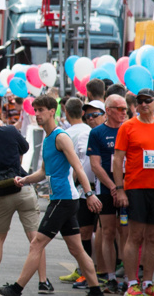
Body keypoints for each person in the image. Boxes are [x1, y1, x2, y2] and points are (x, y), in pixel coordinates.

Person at [0, 95, 103, 296]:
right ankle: (96, 290)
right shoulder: (49, 139)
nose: (38, 114)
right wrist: (24, 180)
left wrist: (89, 194)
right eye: (36, 110)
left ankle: (16, 289)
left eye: (41, 110)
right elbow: (43, 171)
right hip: (62, 200)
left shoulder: (61, 137)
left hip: (64, 199)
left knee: (37, 243)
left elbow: (78, 166)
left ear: (53, 111)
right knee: (77, 249)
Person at [0, 102, 51, 293]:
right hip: (22, 185)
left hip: (1, 192)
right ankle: (43, 282)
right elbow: (25, 147)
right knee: (36, 239)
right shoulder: (10, 132)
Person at [112, 88, 154, 296]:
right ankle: (132, 283)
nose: (144, 104)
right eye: (140, 101)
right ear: (136, 104)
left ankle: (148, 282)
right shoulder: (128, 127)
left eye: (148, 101)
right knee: (135, 235)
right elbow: (118, 159)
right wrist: (120, 189)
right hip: (135, 188)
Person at [86, 94, 129, 293]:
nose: (123, 112)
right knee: (108, 231)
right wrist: (113, 186)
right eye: (119, 109)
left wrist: (123, 187)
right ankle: (110, 276)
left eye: (125, 109)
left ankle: (129, 277)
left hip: (128, 187)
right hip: (106, 189)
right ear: (108, 110)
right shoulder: (97, 133)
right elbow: (95, 165)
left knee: (127, 233)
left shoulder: (129, 129)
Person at [60, 98, 96, 289]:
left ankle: (87, 272)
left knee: (84, 232)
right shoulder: (89, 131)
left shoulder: (66, 134)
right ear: (82, 113)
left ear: (66, 112)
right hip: (89, 188)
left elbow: (76, 165)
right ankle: (87, 271)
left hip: (80, 189)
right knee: (90, 232)